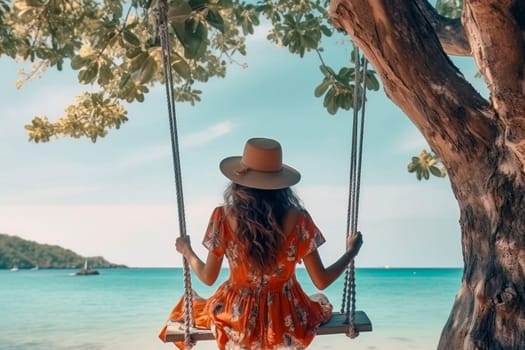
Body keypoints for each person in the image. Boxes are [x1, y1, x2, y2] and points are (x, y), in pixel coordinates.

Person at [159, 137, 363, 350]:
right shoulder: (299, 219)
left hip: (237, 316)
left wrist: (187, 250)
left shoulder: (222, 216)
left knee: (192, 303)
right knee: (319, 299)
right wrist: (351, 252)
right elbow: (321, 281)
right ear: (281, 183)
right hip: (286, 317)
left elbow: (208, 277)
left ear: (238, 181)